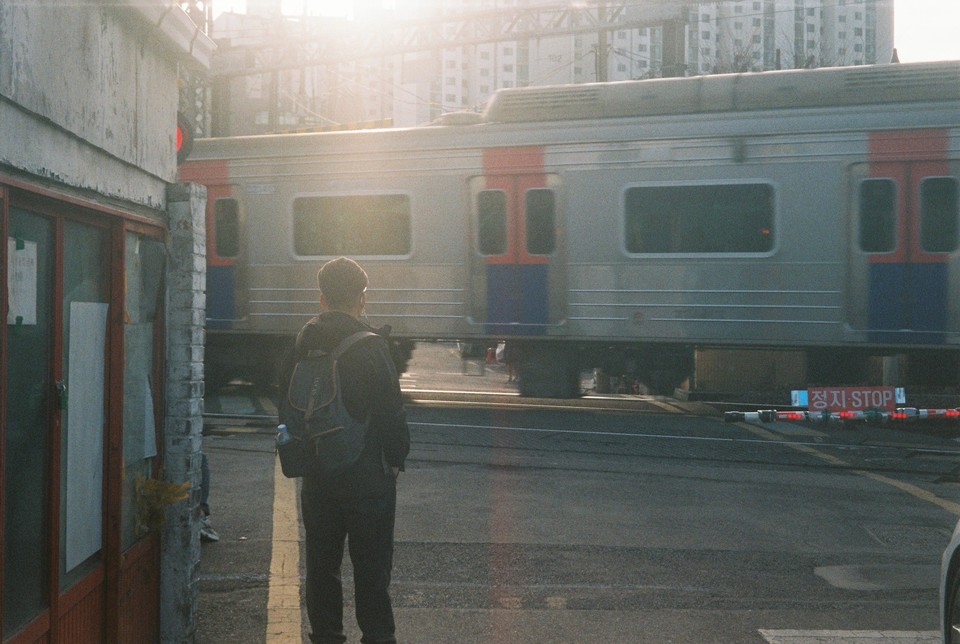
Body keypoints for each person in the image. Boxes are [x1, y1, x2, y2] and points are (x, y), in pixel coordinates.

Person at [279, 257, 410, 644]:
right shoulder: (370, 347)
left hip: (318, 473)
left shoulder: (301, 343)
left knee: (322, 565)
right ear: (362, 298)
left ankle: (326, 636)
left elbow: (285, 403)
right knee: (371, 568)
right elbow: (391, 410)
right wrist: (397, 459)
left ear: (322, 298)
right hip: (368, 475)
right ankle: (377, 636)